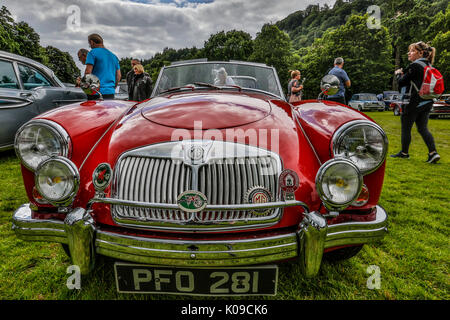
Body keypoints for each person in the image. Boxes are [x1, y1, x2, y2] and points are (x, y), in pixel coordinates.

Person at [390, 41, 440, 164]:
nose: (409, 53)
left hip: (413, 101)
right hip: (427, 101)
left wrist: (398, 74)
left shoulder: (414, 66)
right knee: (423, 128)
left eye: (412, 51)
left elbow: (401, 82)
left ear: (420, 53)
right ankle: (433, 153)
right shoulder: (429, 66)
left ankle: (404, 153)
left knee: (406, 127)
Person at [84, 34, 121, 100]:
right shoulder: (113, 56)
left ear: (92, 42)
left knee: (94, 110)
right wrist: (112, 88)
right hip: (110, 92)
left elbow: (88, 72)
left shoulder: (92, 53)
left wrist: (86, 89)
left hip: (95, 92)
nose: (90, 46)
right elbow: (118, 76)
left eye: (89, 44)